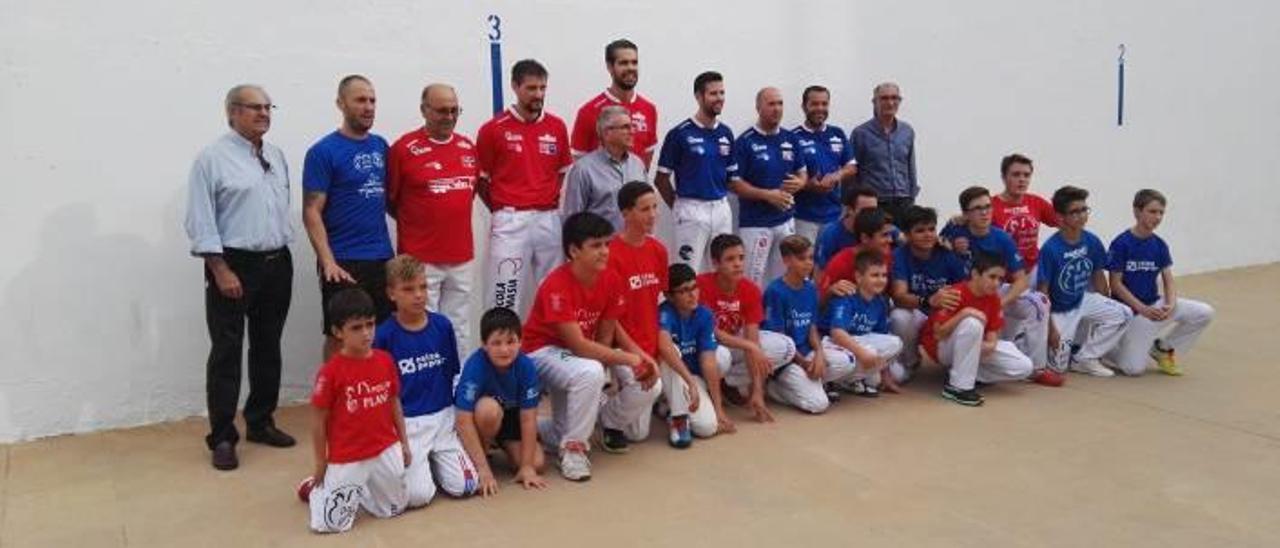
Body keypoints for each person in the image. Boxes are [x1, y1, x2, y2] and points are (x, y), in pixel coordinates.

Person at [184, 83, 295, 471]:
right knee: (227, 351)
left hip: (276, 262)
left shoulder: (277, 155)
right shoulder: (211, 159)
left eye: (268, 106)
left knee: (268, 346)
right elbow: (200, 220)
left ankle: (261, 421)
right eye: (254, 107)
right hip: (233, 265)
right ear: (231, 112)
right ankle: (222, 437)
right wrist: (220, 269)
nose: (263, 113)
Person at [521, 212, 660, 481]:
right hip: (542, 352)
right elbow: (579, 345)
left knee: (651, 382)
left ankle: (602, 420)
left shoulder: (611, 280)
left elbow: (605, 336)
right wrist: (629, 359)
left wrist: (641, 359)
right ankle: (573, 450)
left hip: (579, 359)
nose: (605, 252)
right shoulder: (555, 285)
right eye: (596, 246)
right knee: (590, 372)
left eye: (606, 244)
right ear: (573, 250)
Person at [298, 288, 409, 534]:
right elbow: (318, 421)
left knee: (394, 509)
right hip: (348, 455)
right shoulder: (330, 372)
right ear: (338, 332)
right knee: (330, 525)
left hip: (384, 447)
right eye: (356, 328)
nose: (366, 333)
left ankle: (361, 490)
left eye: (370, 324)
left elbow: (394, 403)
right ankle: (317, 491)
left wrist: (404, 443)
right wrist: (321, 462)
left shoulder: (385, 360)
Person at [373, 255, 477, 507]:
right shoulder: (383, 337)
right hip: (409, 423)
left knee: (467, 485)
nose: (418, 295)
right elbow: (384, 394)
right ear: (391, 293)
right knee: (418, 497)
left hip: (443, 417)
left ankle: (434, 461)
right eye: (408, 289)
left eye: (423, 287)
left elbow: (452, 373)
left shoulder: (442, 326)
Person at [303, 75, 395, 360]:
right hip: (343, 262)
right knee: (340, 334)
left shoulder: (381, 146)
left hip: (381, 257)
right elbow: (311, 211)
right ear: (341, 104)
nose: (368, 107)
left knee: (380, 331)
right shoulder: (323, 152)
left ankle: (372, 396)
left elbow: (392, 200)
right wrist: (328, 261)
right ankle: (335, 400)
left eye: (372, 100)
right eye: (360, 100)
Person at [387, 83, 479, 353]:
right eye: (441, 110)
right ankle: (424, 386)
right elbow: (390, 200)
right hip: (420, 259)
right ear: (424, 110)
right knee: (420, 325)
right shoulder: (403, 149)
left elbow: (466, 196)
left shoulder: (467, 147)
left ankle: (456, 385)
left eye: (454, 110)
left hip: (461, 256)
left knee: (458, 327)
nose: (449, 117)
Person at [477, 59, 572, 315]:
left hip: (548, 218)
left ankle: (552, 348)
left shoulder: (557, 126)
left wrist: (545, 200)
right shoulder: (492, 130)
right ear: (515, 87)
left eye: (542, 88)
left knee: (554, 291)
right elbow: (482, 181)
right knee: (504, 293)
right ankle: (499, 351)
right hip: (510, 220)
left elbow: (561, 174)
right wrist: (503, 209)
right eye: (531, 88)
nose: (538, 94)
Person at [942, 186, 1059, 386]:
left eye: (987, 206)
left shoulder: (1002, 238)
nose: (985, 212)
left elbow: (1021, 279)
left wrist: (1000, 303)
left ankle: (1037, 368)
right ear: (965, 214)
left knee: (1040, 301)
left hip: (993, 294)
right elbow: (935, 245)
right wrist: (950, 245)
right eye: (977, 208)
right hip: (960, 298)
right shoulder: (954, 230)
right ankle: (960, 368)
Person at [1105, 189, 1214, 376]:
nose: (1158, 217)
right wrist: (1142, 309)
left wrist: (1170, 304)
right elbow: (1115, 284)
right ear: (1137, 212)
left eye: (1161, 212)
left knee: (1204, 312)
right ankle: (1108, 348)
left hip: (1156, 306)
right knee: (1133, 369)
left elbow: (1168, 279)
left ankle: (1163, 349)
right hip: (1135, 313)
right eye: (1152, 211)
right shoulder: (1121, 243)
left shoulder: (1159, 245)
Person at [697, 234, 796, 423]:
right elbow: (712, 333)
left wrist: (757, 391)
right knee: (722, 357)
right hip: (708, 346)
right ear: (716, 263)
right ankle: (713, 383)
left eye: (741, 258)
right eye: (730, 259)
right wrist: (750, 347)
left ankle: (728, 382)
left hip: (734, 342)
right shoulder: (702, 285)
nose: (738, 264)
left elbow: (753, 336)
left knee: (786, 347)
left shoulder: (750, 289)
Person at [1037, 186, 1133, 377]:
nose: (1082, 216)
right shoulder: (1050, 249)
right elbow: (1042, 293)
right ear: (1060, 217)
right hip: (1059, 311)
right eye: (1075, 212)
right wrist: (1051, 329)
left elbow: (1098, 277)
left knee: (1123, 314)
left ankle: (1085, 358)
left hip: (1082, 299)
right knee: (1057, 368)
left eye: (1084, 210)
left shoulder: (1092, 241)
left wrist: (1107, 305)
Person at [454, 307, 548, 496]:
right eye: (496, 343)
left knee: (537, 463)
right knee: (488, 410)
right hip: (483, 414)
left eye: (510, 342)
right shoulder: (475, 366)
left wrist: (527, 466)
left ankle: (503, 442)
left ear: (520, 342)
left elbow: (528, 418)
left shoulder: (526, 366)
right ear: (483, 344)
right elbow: (462, 420)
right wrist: (483, 470)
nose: (504, 349)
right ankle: (484, 451)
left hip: (512, 414)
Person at [920, 252, 1034, 406]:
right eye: (992, 277)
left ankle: (965, 371)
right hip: (942, 347)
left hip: (973, 345)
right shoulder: (955, 293)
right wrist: (964, 314)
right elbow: (939, 334)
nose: (996, 284)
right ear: (975, 274)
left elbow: (992, 338)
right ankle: (958, 387)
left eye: (1000, 279)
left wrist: (988, 346)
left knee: (1024, 367)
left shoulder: (994, 299)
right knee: (972, 322)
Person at [762, 236, 861, 412]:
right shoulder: (775, 292)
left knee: (847, 361)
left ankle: (812, 382)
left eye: (811, 258)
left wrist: (819, 354)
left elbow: (812, 327)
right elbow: (779, 339)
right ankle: (775, 388)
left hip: (807, 351)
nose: (808, 263)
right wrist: (803, 363)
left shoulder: (810, 288)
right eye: (802, 259)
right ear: (786, 261)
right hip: (788, 360)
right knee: (819, 404)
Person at [655, 71, 738, 271]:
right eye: (713, 93)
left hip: (721, 209)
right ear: (699, 97)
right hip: (691, 209)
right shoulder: (679, 134)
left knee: (722, 270)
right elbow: (661, 179)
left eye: (722, 93)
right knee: (687, 271)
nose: (719, 98)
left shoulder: (726, 133)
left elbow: (731, 178)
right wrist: (678, 205)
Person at [732, 87, 808, 287]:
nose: (777, 109)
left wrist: (800, 182)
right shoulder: (745, 142)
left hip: (785, 222)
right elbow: (734, 183)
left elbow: (803, 173)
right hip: (756, 224)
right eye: (771, 104)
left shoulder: (790, 139)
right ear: (758, 107)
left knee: (785, 279)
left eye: (780, 103)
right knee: (753, 280)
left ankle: (779, 318)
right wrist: (767, 195)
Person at [657, 263, 735, 447]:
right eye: (684, 291)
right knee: (670, 352)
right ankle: (678, 419)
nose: (693, 295)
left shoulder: (704, 314)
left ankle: (667, 408)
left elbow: (708, 361)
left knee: (708, 427)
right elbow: (664, 347)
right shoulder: (665, 313)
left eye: (694, 287)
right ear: (669, 295)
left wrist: (719, 409)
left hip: (692, 377)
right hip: (669, 377)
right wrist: (690, 383)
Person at [888, 206, 967, 381]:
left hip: (944, 315)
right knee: (899, 317)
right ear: (907, 235)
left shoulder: (947, 253)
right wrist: (928, 301)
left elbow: (965, 289)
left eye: (931, 229)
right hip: (919, 313)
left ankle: (958, 365)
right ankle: (911, 362)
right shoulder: (899, 255)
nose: (928, 235)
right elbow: (899, 296)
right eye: (920, 231)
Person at [606, 182, 669, 392]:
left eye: (655, 207)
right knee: (647, 392)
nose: (652, 215)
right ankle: (610, 417)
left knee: (704, 425)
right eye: (644, 209)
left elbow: (658, 303)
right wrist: (637, 353)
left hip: (654, 341)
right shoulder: (610, 254)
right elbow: (609, 318)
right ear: (626, 214)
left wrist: (662, 344)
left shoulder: (658, 250)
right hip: (623, 347)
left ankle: (676, 417)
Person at [819, 249, 905, 396]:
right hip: (829, 343)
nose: (881, 280)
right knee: (868, 355)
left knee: (894, 343)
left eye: (884, 275)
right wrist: (863, 354)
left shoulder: (880, 301)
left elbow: (880, 335)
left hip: (854, 343)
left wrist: (886, 377)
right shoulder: (847, 297)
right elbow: (837, 333)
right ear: (859, 277)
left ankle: (848, 380)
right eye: (874, 275)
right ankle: (828, 381)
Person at [571, 39, 659, 167]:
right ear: (610, 67)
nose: (630, 68)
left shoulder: (649, 109)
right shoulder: (588, 111)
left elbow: (646, 161)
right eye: (623, 63)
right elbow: (579, 161)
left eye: (634, 62)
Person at [561, 106, 648, 231]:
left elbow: (647, 206)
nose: (632, 131)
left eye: (632, 126)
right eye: (625, 127)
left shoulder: (637, 165)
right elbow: (572, 217)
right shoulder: (584, 169)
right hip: (602, 247)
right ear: (607, 133)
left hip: (634, 246)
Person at [793, 85, 857, 243]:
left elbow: (852, 167)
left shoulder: (837, 133)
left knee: (831, 263)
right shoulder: (792, 137)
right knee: (805, 265)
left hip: (834, 215)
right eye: (814, 104)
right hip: (803, 217)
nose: (820, 108)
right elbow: (785, 177)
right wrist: (808, 185)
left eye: (824, 104)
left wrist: (837, 176)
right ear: (804, 106)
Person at [850, 82, 916, 225]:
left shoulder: (907, 131)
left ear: (900, 101)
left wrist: (912, 197)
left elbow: (910, 167)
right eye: (884, 98)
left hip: (903, 202)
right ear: (874, 102)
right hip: (875, 203)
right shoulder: (861, 133)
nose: (890, 103)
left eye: (894, 98)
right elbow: (852, 172)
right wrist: (852, 204)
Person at [991, 153, 1058, 281]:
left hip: (1033, 272)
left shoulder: (1036, 202)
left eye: (1026, 175)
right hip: (1003, 277)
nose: (1022, 179)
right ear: (1004, 177)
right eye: (1016, 175)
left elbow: (1065, 222)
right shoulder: (990, 205)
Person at [819, 208, 895, 301]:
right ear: (865, 238)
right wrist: (830, 291)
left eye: (890, 235)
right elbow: (818, 300)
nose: (890, 240)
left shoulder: (888, 256)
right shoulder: (841, 262)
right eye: (884, 235)